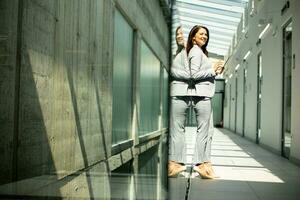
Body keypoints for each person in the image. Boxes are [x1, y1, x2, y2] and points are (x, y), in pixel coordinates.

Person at [168, 25, 224, 179]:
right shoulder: (194, 51)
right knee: (202, 130)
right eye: (201, 34)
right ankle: (199, 165)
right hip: (196, 94)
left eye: (206, 34)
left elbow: (189, 73)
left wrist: (215, 70)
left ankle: (184, 164)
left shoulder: (191, 52)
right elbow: (193, 74)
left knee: (184, 130)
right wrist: (212, 70)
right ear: (193, 36)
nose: (205, 36)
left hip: (187, 93)